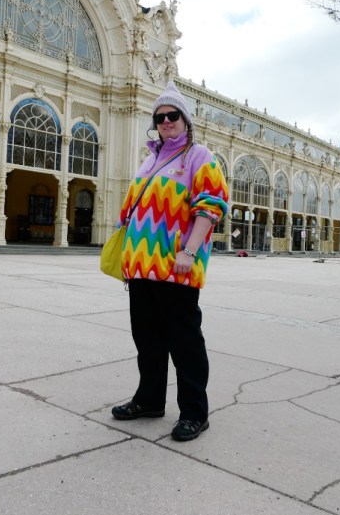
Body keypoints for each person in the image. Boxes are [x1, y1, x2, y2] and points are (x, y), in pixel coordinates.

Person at [111, 81, 229, 441]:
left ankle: (194, 411)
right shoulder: (150, 159)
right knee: (147, 339)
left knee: (184, 342)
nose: (165, 121)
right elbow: (131, 212)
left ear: (185, 119)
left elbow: (211, 208)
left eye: (172, 115)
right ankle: (149, 400)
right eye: (159, 116)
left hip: (177, 267)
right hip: (141, 267)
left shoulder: (199, 157)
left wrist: (188, 251)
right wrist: (129, 260)